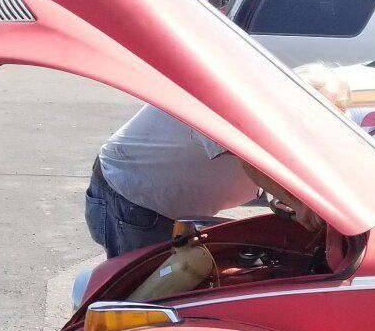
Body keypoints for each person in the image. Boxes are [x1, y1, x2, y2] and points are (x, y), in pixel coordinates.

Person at [84, 65, 351, 257]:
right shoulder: (236, 98)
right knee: (146, 299)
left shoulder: (284, 108)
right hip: (131, 200)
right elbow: (251, 159)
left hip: (164, 203)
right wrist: (301, 205)